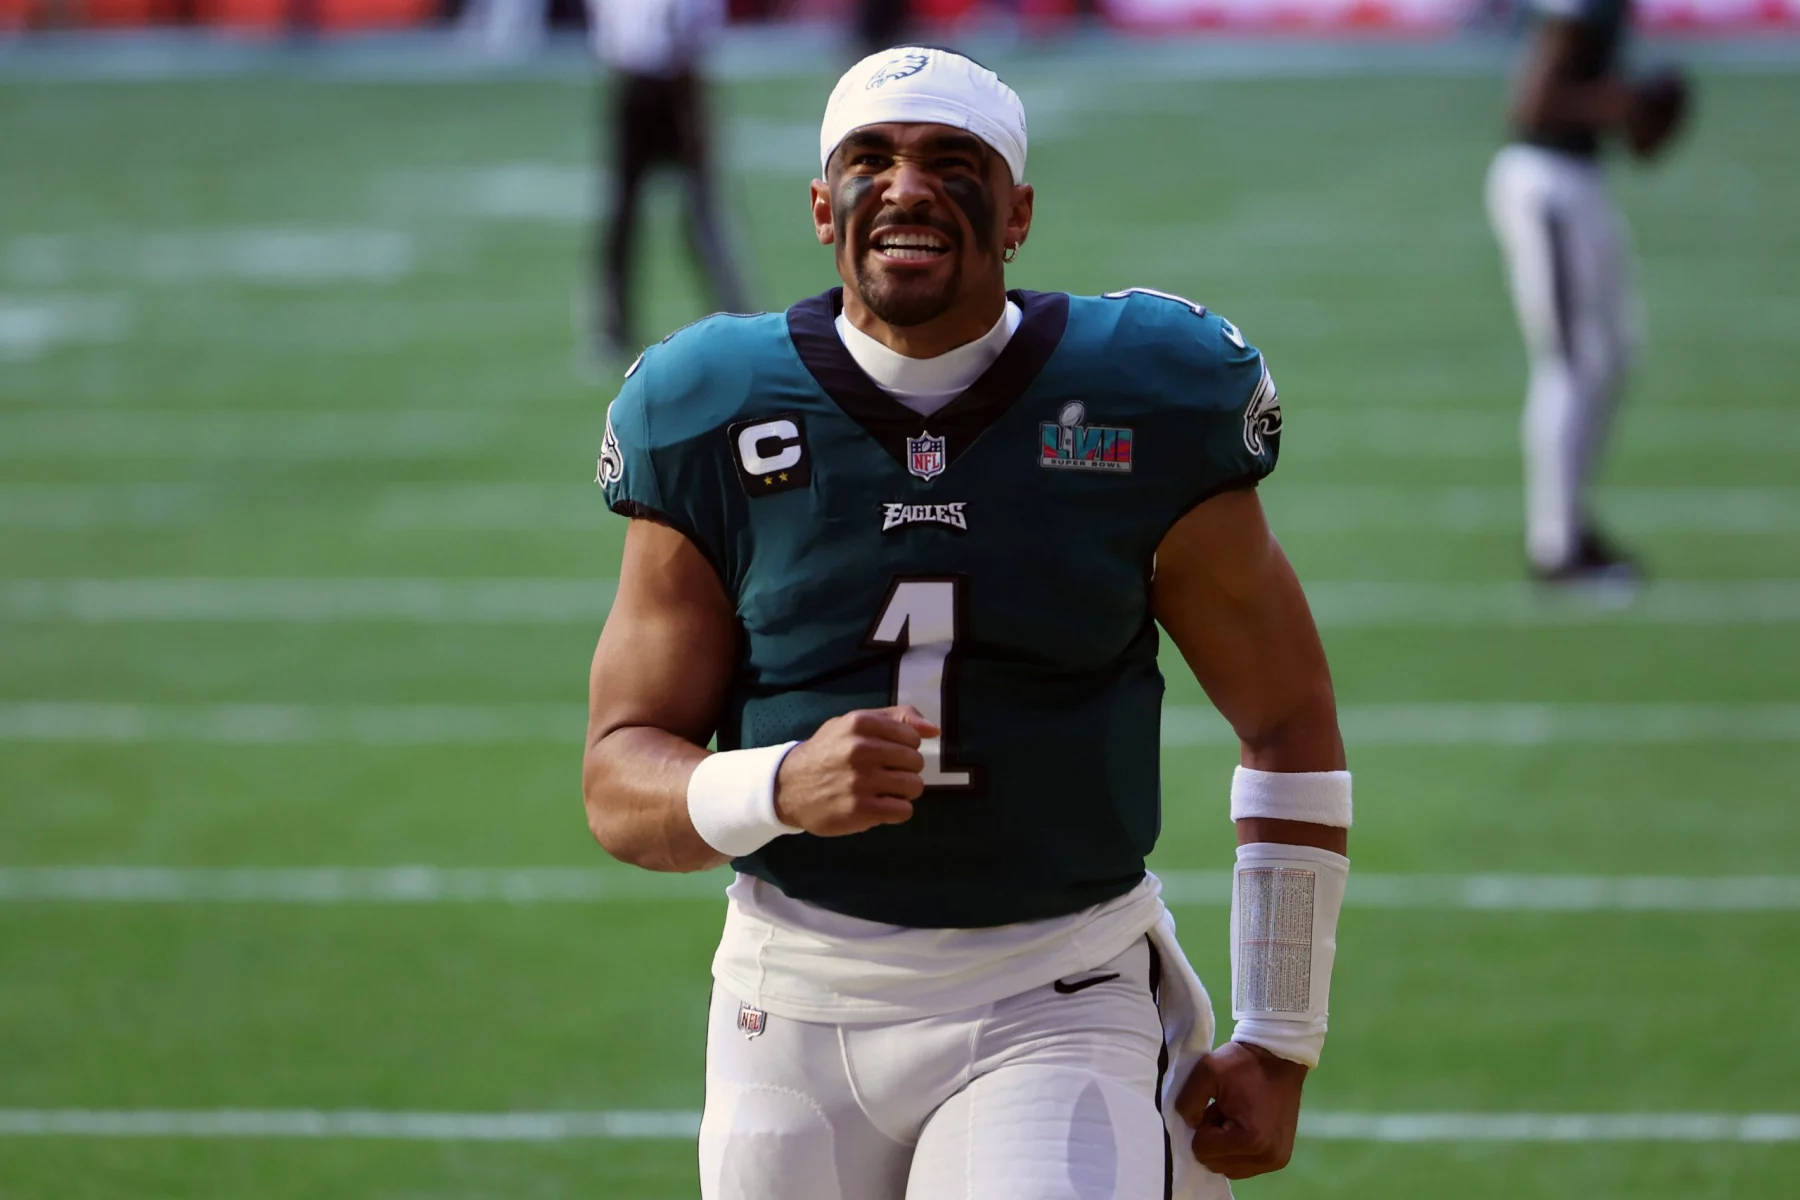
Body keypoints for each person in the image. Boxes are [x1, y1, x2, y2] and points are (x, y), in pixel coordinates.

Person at [584, 47, 1352, 1200]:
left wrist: (1282, 1032)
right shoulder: (714, 409)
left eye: (954, 162)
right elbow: (618, 780)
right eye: (870, 161)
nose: (906, 188)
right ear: (818, 205)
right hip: (787, 1002)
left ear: (1019, 211)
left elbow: (1287, 721)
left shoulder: (1142, 397)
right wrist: (779, 786)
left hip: (1053, 990)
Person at [1486, 0, 1689, 584]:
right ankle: (1556, 547)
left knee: (1610, 356)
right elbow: (1533, 103)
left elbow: (1631, 136)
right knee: (1572, 363)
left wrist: (1632, 113)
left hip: (1577, 180)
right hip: (1548, 184)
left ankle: (1571, 518)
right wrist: (1625, 101)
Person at [586, 0, 747, 360]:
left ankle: (736, 317)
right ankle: (612, 326)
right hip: (636, 85)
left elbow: (700, 35)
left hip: (680, 88)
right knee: (623, 216)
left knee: (703, 214)